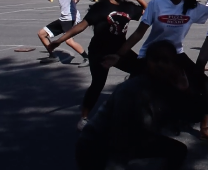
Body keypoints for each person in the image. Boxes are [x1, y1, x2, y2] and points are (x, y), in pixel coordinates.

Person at [103, 0, 208, 144]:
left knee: (207, 87)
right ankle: (120, 128)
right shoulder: (156, 4)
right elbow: (139, 33)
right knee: (134, 93)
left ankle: (204, 129)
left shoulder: (191, 7)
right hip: (151, 54)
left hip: (176, 54)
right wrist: (118, 55)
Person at [48, 0, 147, 130]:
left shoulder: (129, 7)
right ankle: (84, 117)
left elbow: (149, 13)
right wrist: (59, 40)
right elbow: (81, 26)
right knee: (98, 84)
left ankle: (127, 103)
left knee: (143, 70)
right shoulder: (101, 7)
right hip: (99, 52)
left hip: (120, 51)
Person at [75, 40, 189, 170]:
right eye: (155, 60)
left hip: (135, 138)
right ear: (147, 62)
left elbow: (181, 120)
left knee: (178, 150)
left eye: (165, 60)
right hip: (97, 145)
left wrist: (183, 91)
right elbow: (119, 139)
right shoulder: (132, 90)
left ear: (174, 64)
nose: (160, 64)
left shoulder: (166, 85)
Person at [37, 0, 89, 66]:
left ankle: (87, 58)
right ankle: (53, 56)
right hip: (63, 19)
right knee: (41, 33)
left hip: (71, 19)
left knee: (68, 41)